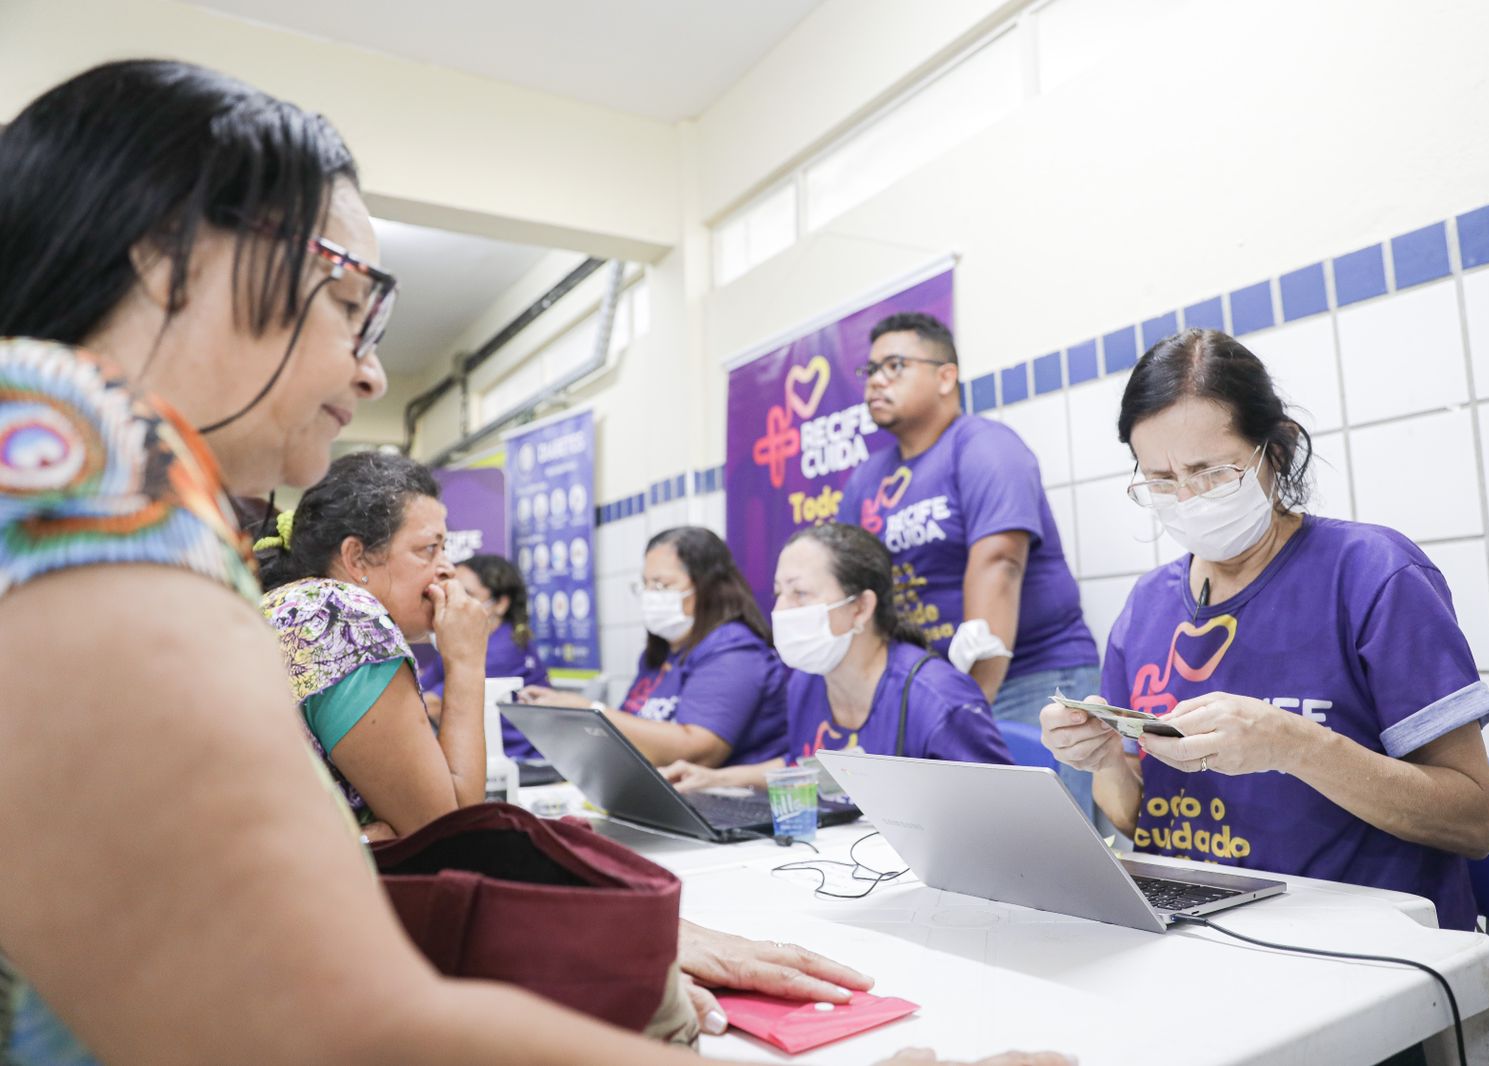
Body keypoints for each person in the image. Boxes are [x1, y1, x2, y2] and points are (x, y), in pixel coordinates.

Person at [0, 59, 1077, 1066]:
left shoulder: (79, 471)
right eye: (347, 299)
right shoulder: (63, 448)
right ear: (169, 253)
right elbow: (324, 1019)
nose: (370, 371)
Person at [1040, 328, 1489, 931]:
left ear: (1274, 453)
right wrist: (1102, 760)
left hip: (1364, 948)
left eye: (1211, 473)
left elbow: (1475, 822)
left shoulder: (1371, 576)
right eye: (1160, 480)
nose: (1186, 497)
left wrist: (1296, 745)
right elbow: (1142, 821)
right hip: (1206, 940)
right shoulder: (1147, 607)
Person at [840, 312, 1100, 814]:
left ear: (945, 376)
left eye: (894, 365)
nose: (875, 380)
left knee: (1050, 855)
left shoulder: (985, 446)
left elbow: (1000, 564)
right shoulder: (865, 480)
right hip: (944, 688)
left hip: (1033, 679)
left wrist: (967, 704)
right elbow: (854, 587)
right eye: (870, 370)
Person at [667, 523, 1013, 792]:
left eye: (799, 593)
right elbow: (809, 769)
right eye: (778, 593)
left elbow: (1006, 811)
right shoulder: (807, 681)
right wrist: (716, 779)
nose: (781, 610)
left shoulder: (940, 700)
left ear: (861, 607)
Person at [257, 452, 494, 839]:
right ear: (356, 558)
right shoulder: (341, 616)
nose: (447, 568)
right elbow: (450, 834)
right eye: (428, 549)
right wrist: (466, 663)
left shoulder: (295, 604)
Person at [519, 526, 788, 768]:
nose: (650, 595)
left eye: (662, 584)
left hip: (731, 807)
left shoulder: (733, 651)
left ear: (708, 586)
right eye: (646, 584)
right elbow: (630, 734)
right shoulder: (661, 653)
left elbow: (699, 751)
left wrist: (589, 710)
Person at [414, 553, 548, 758]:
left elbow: (430, 706)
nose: (455, 602)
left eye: (467, 594)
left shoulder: (503, 650)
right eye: (450, 591)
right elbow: (419, 691)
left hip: (522, 765)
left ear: (501, 604)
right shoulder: (466, 642)